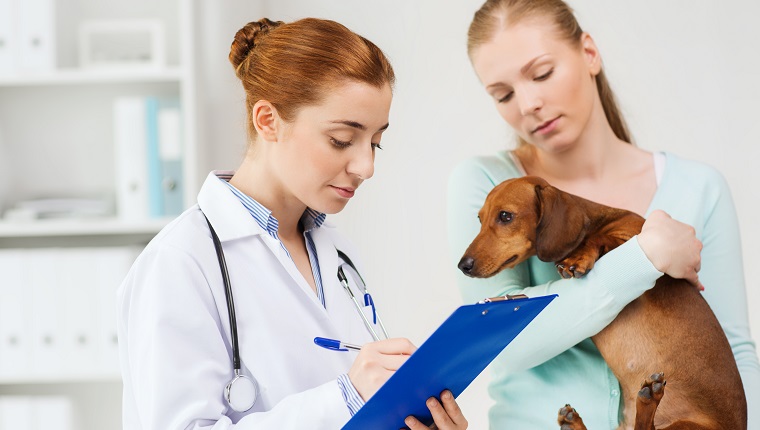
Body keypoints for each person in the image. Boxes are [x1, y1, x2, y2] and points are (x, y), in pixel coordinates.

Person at [117, 17, 468, 430]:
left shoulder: (335, 253)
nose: (366, 166)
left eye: (375, 142)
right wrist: (346, 398)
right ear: (268, 121)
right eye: (342, 139)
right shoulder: (180, 262)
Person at [447, 0, 760, 428]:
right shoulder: (487, 182)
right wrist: (643, 257)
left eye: (542, 74)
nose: (529, 103)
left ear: (589, 53)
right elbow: (499, 339)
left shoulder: (698, 187)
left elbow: (738, 353)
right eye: (503, 94)